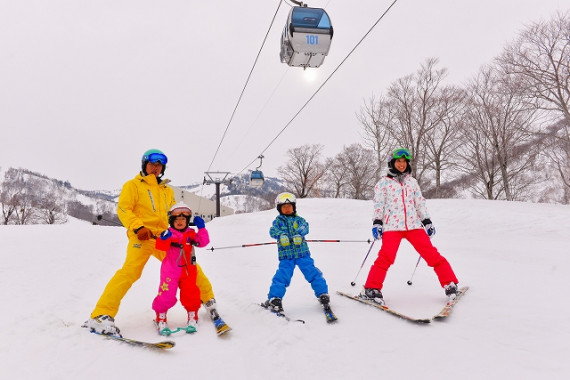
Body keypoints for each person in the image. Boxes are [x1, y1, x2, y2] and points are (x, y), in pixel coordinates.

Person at [82, 149, 223, 336]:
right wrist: (138, 227)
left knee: (189, 267)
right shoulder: (133, 186)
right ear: (144, 165)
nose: (155, 168)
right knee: (129, 272)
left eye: (159, 166)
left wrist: (183, 227)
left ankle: (208, 300)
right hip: (142, 238)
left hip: (164, 238)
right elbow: (124, 209)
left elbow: (172, 214)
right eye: (152, 164)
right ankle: (101, 315)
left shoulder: (165, 190)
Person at [360, 147, 459, 305]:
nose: (402, 164)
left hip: (413, 226)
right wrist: (377, 222)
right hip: (392, 227)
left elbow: (419, 203)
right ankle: (372, 289)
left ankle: (450, 283)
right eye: (398, 161)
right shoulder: (383, 183)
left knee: (431, 254)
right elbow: (379, 205)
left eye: (404, 161)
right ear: (392, 163)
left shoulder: (412, 182)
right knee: (386, 257)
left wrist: (426, 221)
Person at [263, 192, 334, 316]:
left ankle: (323, 294)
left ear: (293, 207)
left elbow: (305, 227)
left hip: (302, 254)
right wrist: (281, 235)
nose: (287, 209)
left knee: (313, 273)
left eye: (289, 207)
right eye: (284, 208)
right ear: (280, 209)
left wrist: (299, 233)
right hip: (286, 257)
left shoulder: (299, 220)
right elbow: (272, 230)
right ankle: (275, 299)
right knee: (282, 277)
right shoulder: (278, 221)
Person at [152, 202, 209, 334]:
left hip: (188, 270)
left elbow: (203, 242)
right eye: (177, 219)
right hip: (170, 270)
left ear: (187, 221)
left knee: (191, 293)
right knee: (166, 293)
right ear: (171, 221)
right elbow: (160, 247)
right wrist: (164, 238)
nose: (180, 222)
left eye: (183, 219)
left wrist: (202, 228)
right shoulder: (169, 233)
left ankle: (192, 316)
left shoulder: (191, 233)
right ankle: (160, 317)